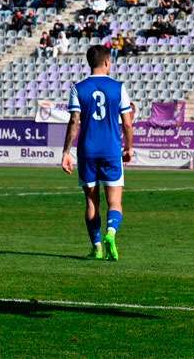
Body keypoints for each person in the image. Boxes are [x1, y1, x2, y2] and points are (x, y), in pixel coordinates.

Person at [61, 45, 134, 261]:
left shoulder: (78, 88)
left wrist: (66, 151)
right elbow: (128, 124)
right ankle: (111, 233)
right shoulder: (118, 87)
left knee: (92, 202)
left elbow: (74, 120)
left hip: (87, 152)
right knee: (115, 202)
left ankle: (97, 247)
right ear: (107, 62)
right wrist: (129, 147)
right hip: (111, 151)